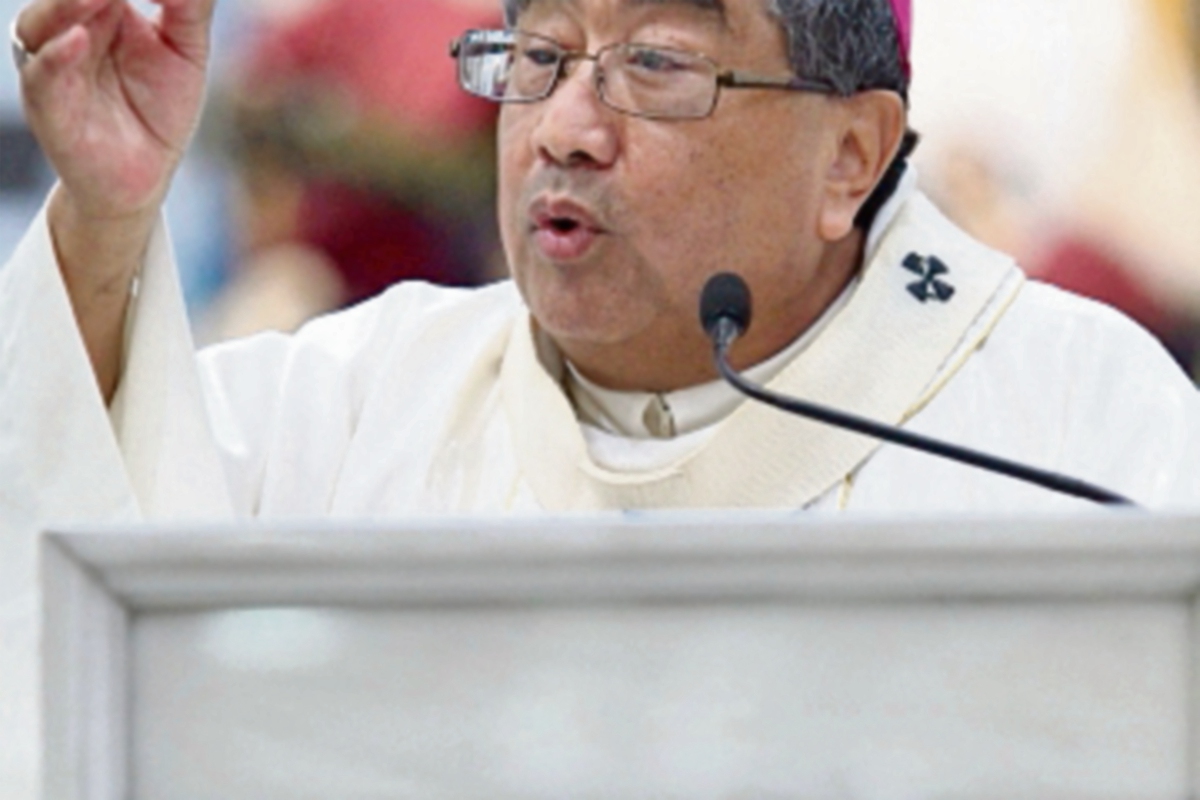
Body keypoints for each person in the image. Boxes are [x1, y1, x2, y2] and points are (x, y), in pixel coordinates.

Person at [2, 0, 1199, 526]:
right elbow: (89, 507)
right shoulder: (372, 398)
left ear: (852, 156)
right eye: (537, 52)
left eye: (659, 64)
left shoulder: (1080, 432)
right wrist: (109, 220)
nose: (565, 127)